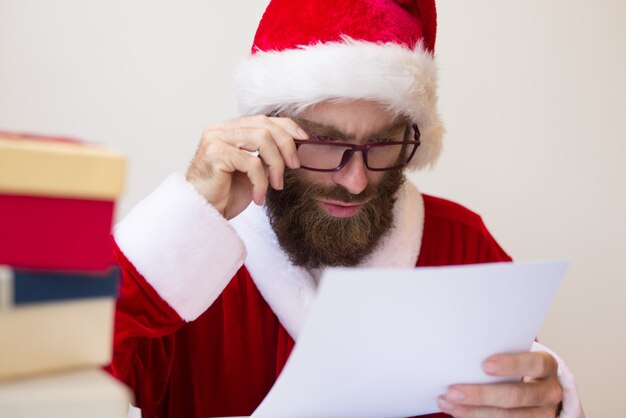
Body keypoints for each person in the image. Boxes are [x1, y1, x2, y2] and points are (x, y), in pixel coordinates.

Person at [106, 1, 585, 417]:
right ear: (264, 128)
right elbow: (56, 381)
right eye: (324, 142)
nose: (355, 181)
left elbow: (524, 389)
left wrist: (545, 403)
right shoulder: (184, 262)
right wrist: (189, 213)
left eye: (381, 144)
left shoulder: (460, 241)